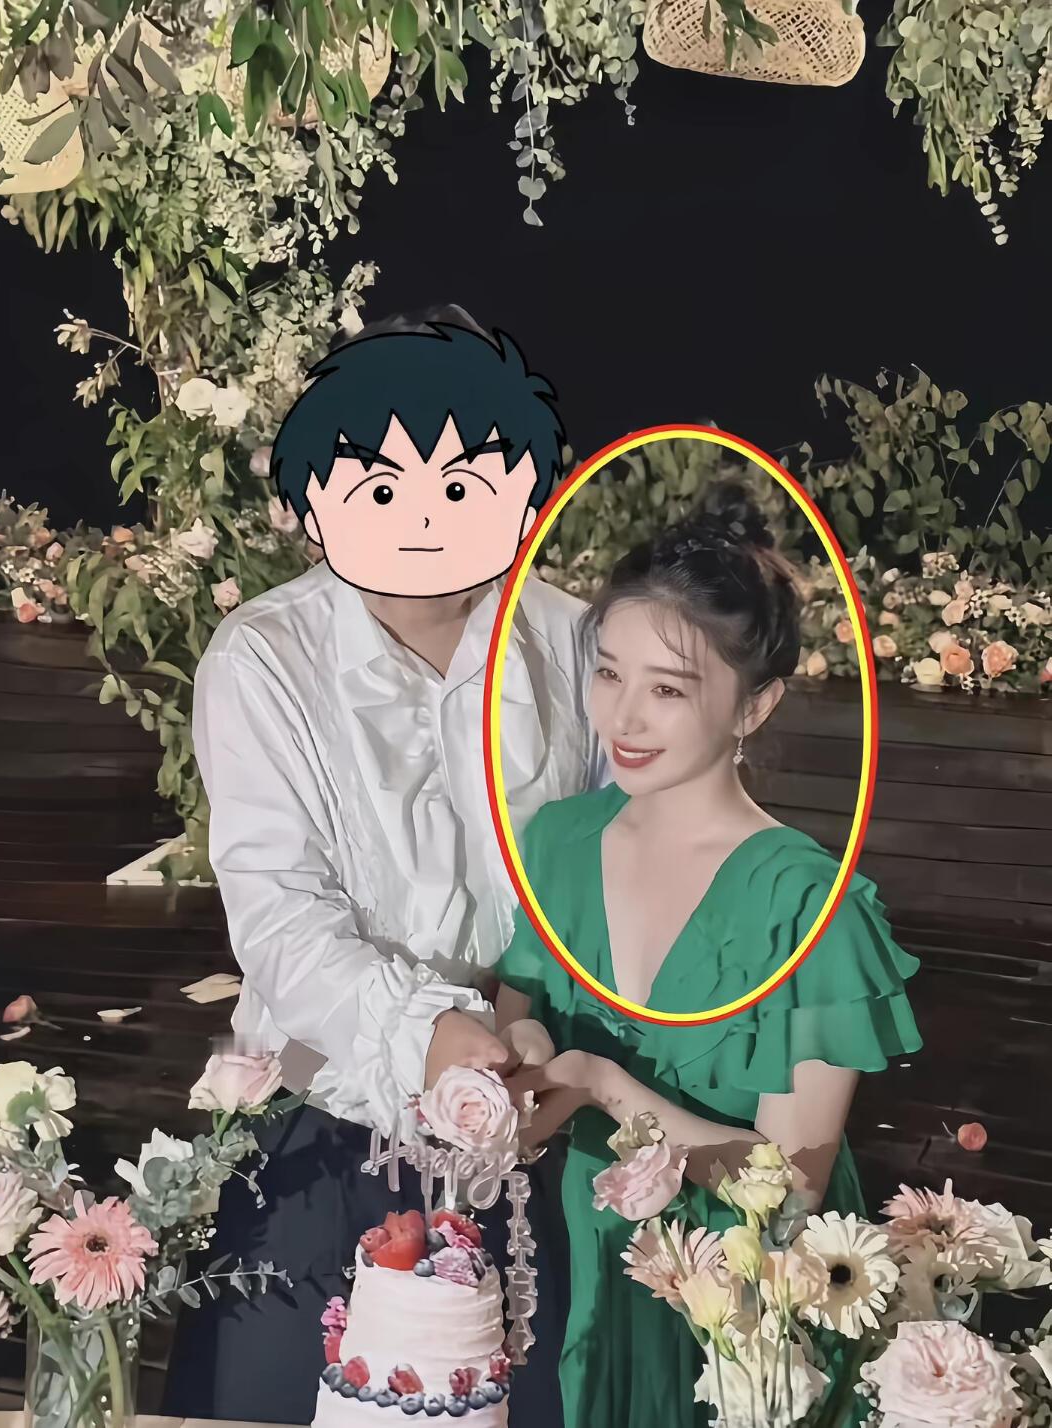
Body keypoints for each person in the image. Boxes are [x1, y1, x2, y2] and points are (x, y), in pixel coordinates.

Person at [163, 307, 601, 1426]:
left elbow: (610, 869)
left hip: (533, 1123)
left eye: (463, 484)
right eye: (380, 484)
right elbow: (279, 913)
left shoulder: (573, 642)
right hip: (323, 1116)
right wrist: (430, 1034)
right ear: (318, 501)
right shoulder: (267, 656)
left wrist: (544, 1041)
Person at [495, 481, 923, 1428]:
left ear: (754, 707)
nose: (623, 719)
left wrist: (604, 1086)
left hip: (746, 1303)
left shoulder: (810, 908)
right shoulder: (559, 840)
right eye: (609, 674)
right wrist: (520, 1056)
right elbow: (518, 1007)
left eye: (668, 690)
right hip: (579, 1256)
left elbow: (793, 1192)